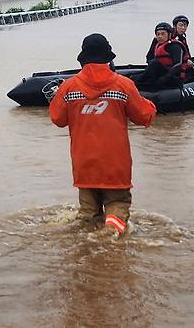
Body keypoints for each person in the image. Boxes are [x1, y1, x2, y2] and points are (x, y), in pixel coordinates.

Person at [50, 34, 156, 238]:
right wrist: (150, 104)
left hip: (84, 166)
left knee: (88, 216)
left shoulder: (69, 87)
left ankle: (87, 249)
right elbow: (145, 116)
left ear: (83, 57)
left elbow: (57, 118)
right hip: (116, 167)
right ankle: (109, 243)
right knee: (117, 207)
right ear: (108, 58)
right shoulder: (123, 85)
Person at [136, 22, 194, 88]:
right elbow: (149, 58)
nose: (160, 36)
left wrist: (164, 78)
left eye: (163, 34)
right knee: (153, 63)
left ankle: (137, 84)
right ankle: (138, 84)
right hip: (163, 74)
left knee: (154, 63)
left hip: (174, 78)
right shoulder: (158, 45)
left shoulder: (175, 46)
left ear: (169, 35)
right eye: (158, 34)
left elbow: (178, 65)